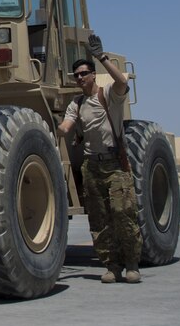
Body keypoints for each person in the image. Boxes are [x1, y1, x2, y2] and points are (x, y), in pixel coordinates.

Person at [57, 34, 143, 284]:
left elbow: (121, 81)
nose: (80, 78)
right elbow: (66, 125)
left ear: (93, 75)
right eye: (77, 75)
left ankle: (132, 264)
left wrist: (101, 57)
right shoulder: (77, 103)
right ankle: (111, 266)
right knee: (99, 219)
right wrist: (57, 128)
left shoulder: (108, 95)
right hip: (92, 166)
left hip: (115, 165)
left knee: (123, 212)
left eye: (84, 73)